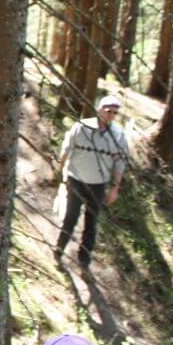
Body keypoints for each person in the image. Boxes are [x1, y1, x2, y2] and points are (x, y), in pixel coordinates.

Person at [54, 95, 130, 268]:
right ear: (99, 109)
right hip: (76, 179)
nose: (111, 115)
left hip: (99, 184)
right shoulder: (81, 127)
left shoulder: (118, 135)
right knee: (70, 217)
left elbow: (120, 163)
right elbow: (67, 148)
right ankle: (58, 250)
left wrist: (115, 188)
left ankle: (84, 261)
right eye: (108, 111)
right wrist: (59, 169)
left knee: (91, 223)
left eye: (115, 113)